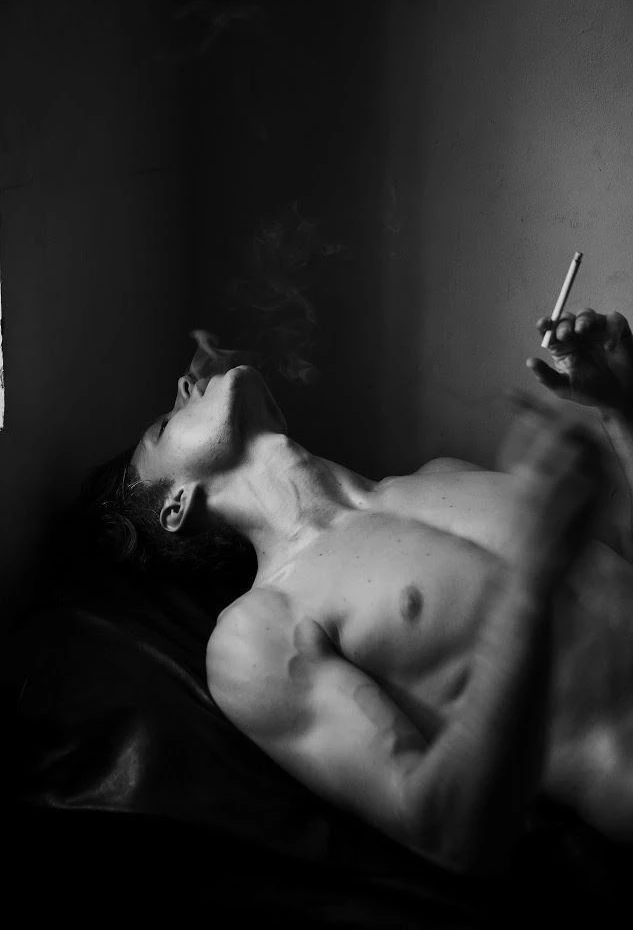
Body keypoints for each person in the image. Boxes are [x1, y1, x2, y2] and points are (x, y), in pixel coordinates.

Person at [84, 306, 633, 878]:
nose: (185, 382)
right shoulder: (259, 631)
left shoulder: (442, 474)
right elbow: (445, 832)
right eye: (163, 426)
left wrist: (623, 412)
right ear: (176, 506)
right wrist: (532, 579)